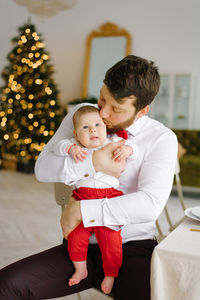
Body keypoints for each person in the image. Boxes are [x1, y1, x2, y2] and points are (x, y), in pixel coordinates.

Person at [0, 55, 178, 300]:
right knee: (6, 285)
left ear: (142, 111)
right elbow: (42, 168)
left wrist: (83, 210)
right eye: (102, 98)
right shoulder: (82, 115)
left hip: (133, 247)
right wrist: (93, 162)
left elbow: (149, 205)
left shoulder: (161, 138)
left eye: (116, 108)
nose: (102, 112)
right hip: (81, 248)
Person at [53, 105, 138, 294]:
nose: (92, 129)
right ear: (76, 134)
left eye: (97, 124)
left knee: (111, 240)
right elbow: (56, 147)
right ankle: (80, 269)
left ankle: (110, 273)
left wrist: (129, 150)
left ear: (105, 128)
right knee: (75, 238)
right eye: (85, 127)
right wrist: (70, 148)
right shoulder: (76, 147)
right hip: (81, 199)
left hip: (108, 200)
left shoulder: (112, 142)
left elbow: (137, 148)